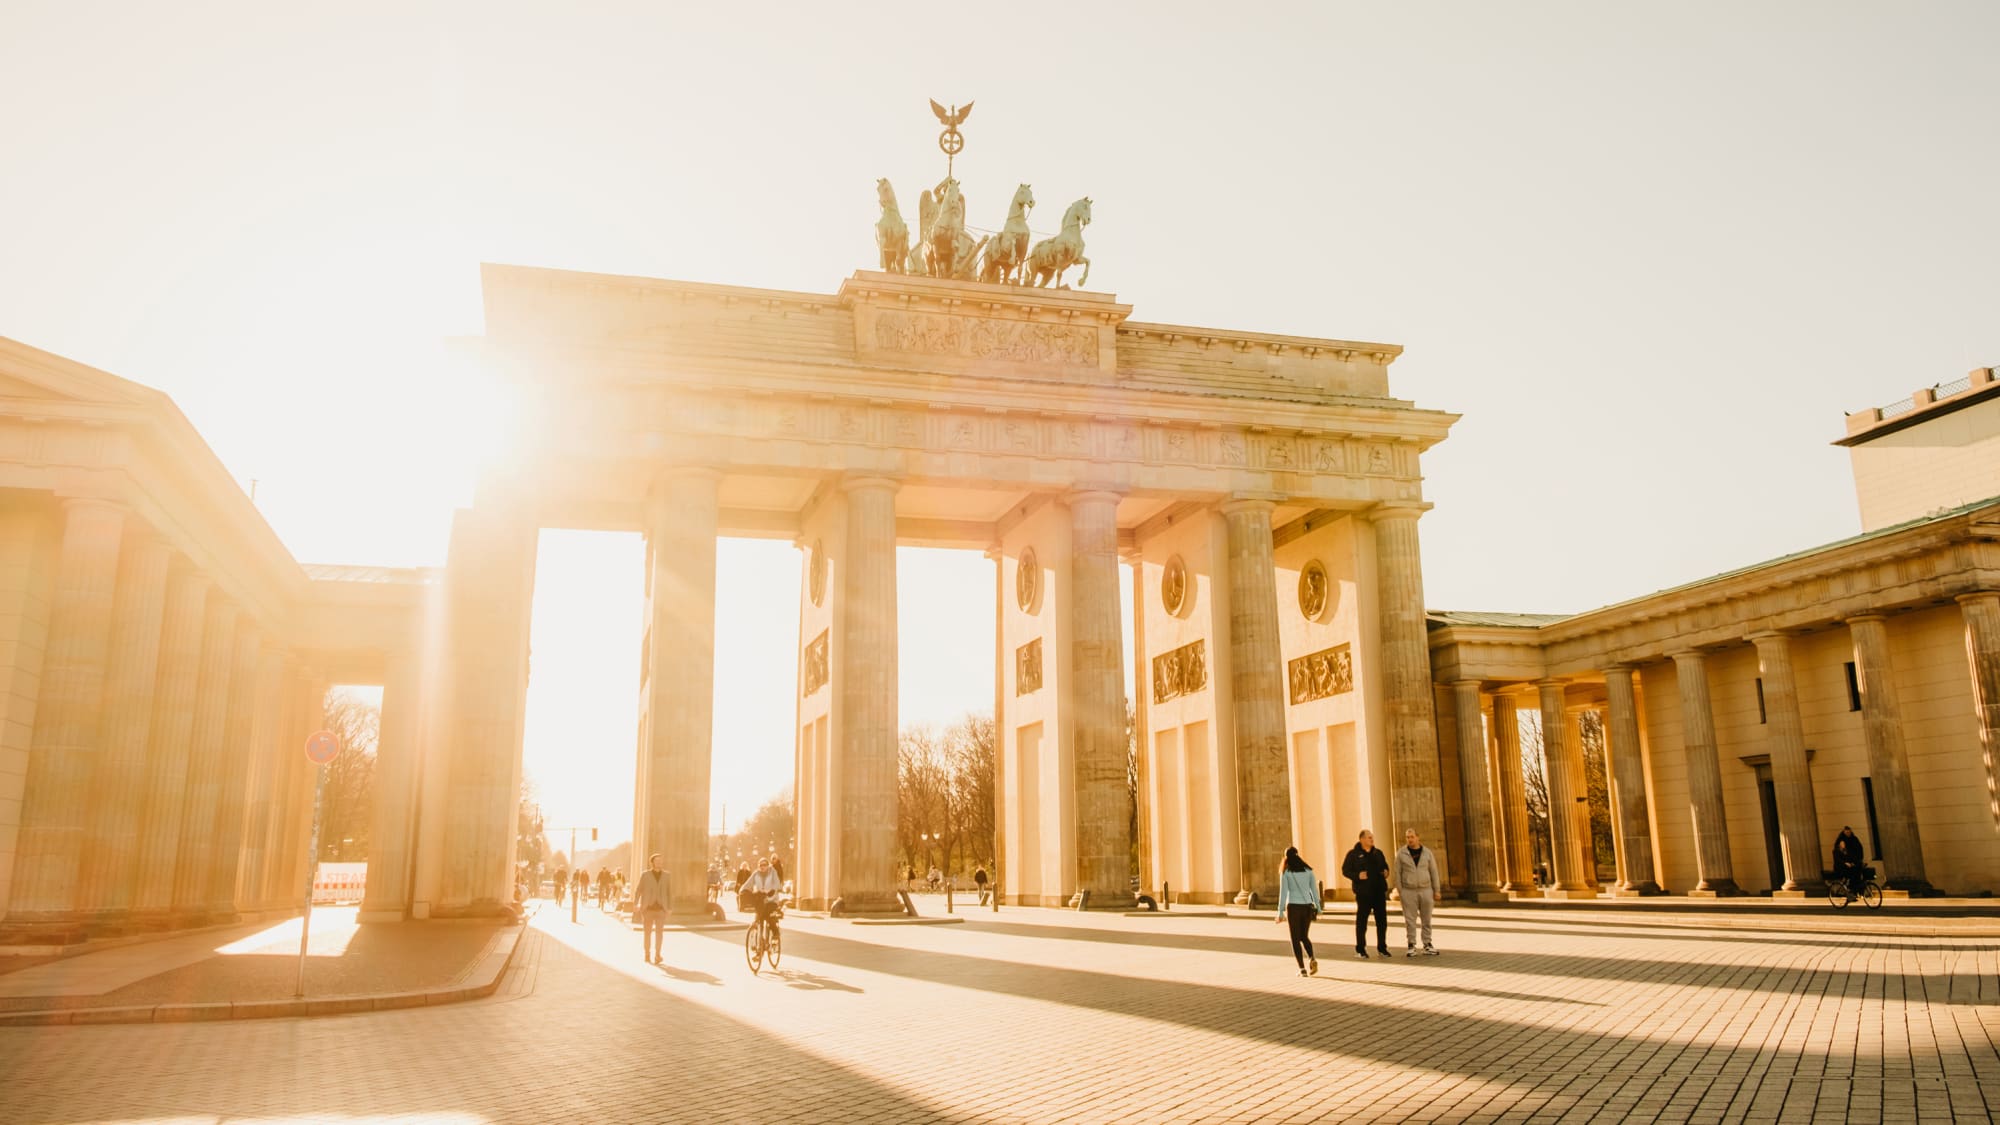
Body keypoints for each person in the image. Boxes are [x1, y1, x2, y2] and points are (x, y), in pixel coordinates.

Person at [1341, 829, 1391, 958]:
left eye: (1372, 837)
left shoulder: (1378, 853)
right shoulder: (1353, 854)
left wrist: (1386, 872)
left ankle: (1382, 948)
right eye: (1369, 837)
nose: (1372, 839)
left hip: (1379, 892)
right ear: (1362, 839)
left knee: (1382, 921)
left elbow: (1385, 866)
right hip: (1363, 893)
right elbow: (1345, 870)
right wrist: (1357, 875)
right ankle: (1361, 949)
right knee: (1362, 922)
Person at [1274, 846, 1321, 976]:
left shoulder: (1286, 873)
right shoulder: (1308, 871)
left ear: (1286, 858)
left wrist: (1280, 912)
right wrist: (1318, 907)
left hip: (1293, 907)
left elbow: (1283, 894)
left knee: (1295, 939)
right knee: (1304, 936)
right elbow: (1314, 891)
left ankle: (1302, 969)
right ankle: (1312, 958)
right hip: (1307, 907)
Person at [1396, 828, 1441, 956]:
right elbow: (1397, 873)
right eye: (1407, 837)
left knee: (1426, 919)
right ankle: (1411, 945)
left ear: (1417, 837)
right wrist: (1400, 891)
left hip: (1425, 890)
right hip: (1408, 891)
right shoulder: (1401, 853)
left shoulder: (1427, 853)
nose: (1409, 839)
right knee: (1410, 920)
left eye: (1412, 837)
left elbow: (1433, 871)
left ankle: (1427, 944)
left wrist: (1436, 890)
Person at [635, 854, 670, 964]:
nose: (659, 862)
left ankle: (657, 955)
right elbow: (639, 890)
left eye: (661, 860)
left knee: (660, 933)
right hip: (648, 909)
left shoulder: (667, 875)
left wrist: (669, 908)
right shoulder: (645, 875)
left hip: (661, 909)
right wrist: (636, 904)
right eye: (657, 860)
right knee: (647, 933)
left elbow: (669, 892)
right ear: (652, 862)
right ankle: (647, 953)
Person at [741, 855, 784, 942]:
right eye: (760, 865)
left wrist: (771, 894)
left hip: (772, 900)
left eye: (764, 865)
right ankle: (759, 941)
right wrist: (742, 890)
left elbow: (777, 885)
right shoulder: (756, 874)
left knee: (770, 917)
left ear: (768, 865)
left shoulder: (773, 872)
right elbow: (748, 884)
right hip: (761, 900)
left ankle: (775, 933)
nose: (762, 866)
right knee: (758, 917)